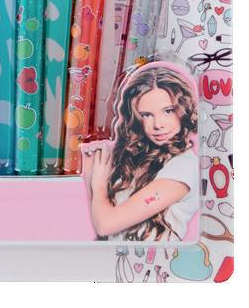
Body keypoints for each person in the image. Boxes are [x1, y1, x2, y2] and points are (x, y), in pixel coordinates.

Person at [82, 65, 198, 241]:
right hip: (111, 256)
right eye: (146, 115)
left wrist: (99, 186)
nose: (158, 124)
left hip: (154, 259)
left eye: (168, 111)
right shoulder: (137, 157)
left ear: (183, 110)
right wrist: (92, 169)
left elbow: (105, 225)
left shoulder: (184, 167)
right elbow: (101, 221)